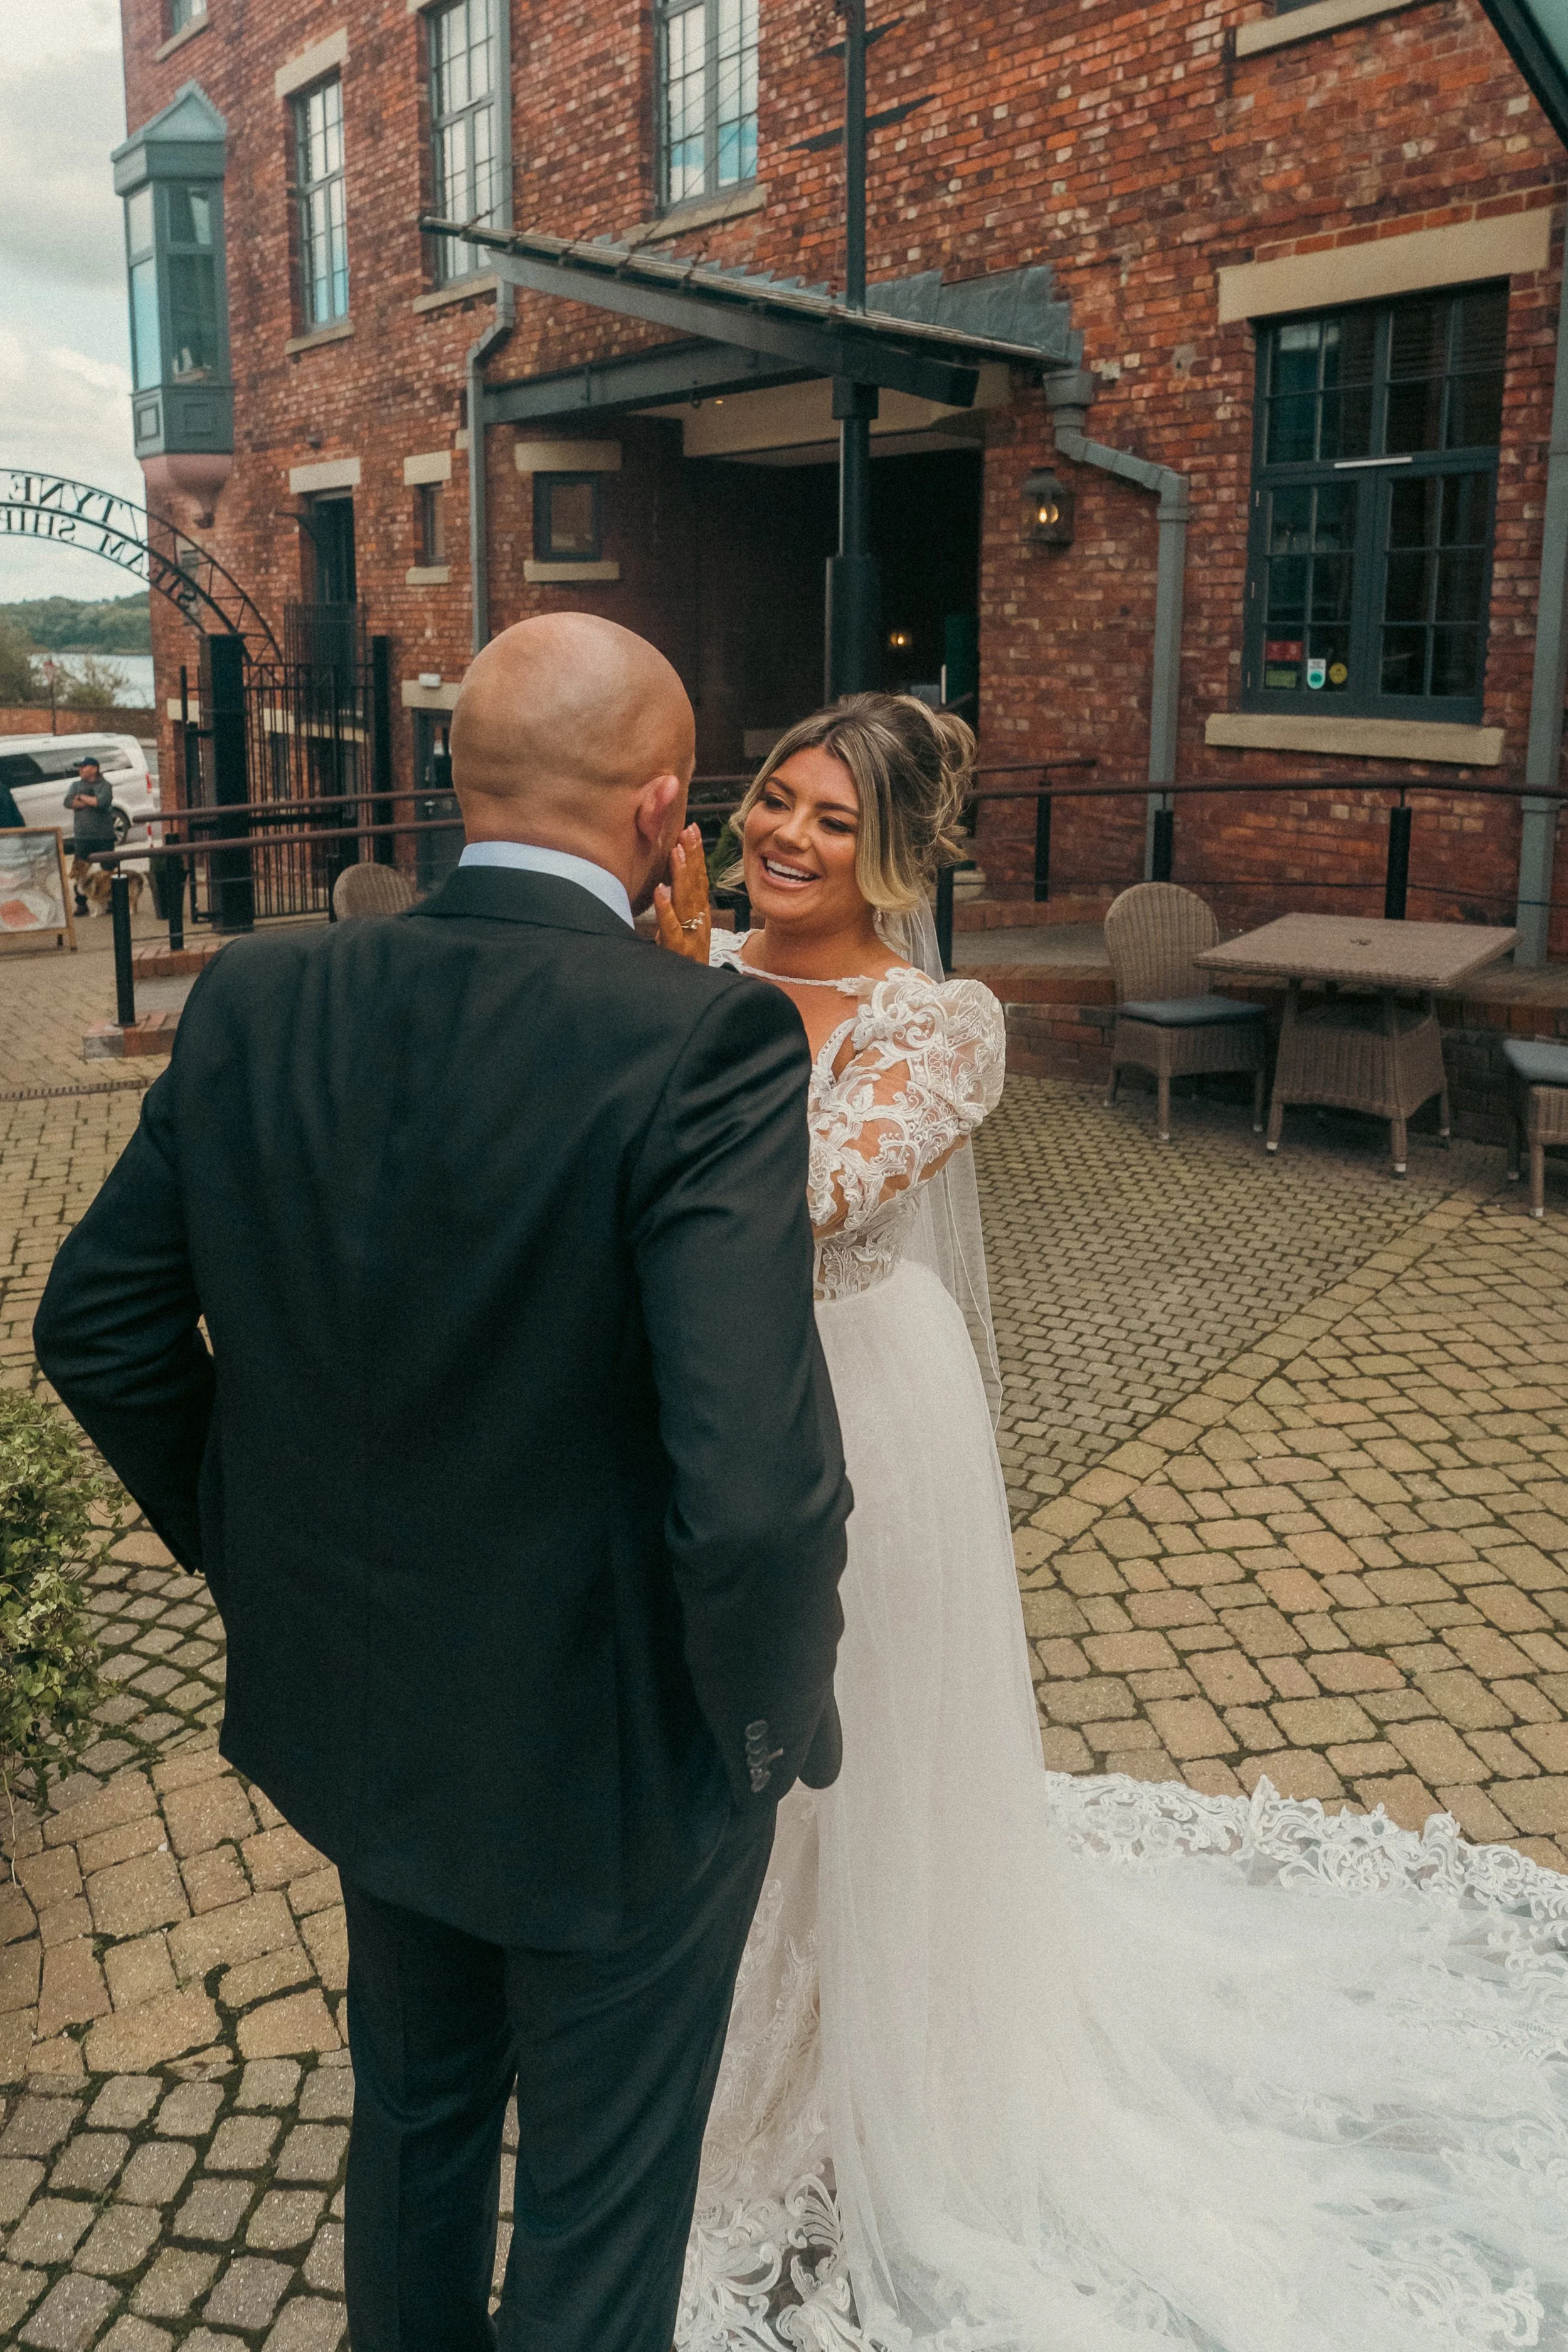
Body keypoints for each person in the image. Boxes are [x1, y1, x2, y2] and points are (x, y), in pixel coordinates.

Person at [655, 692, 1568, 2352]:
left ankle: (872, 2058)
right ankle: (712, 2014)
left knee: (851, 1737)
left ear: (902, 849)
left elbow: (802, 1196)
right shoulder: (687, 963)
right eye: (772, 799)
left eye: (830, 818)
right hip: (693, 1414)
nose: (782, 836)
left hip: (860, 1393)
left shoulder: (937, 1021)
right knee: (708, 1726)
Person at [33, 612, 852, 2352]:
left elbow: (96, 1324)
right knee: (595, 2204)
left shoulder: (259, 991)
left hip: (366, 1708)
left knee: (412, 2111)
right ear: (659, 814)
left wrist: (268, 1560)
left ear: (452, 782)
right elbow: (759, 1495)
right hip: (618, 1756)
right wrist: (768, 1735)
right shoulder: (703, 1045)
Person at [65, 753, 115, 914]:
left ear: (95, 768)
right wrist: (88, 801)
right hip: (83, 836)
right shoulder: (75, 785)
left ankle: (111, 902)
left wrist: (81, 798)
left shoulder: (105, 786)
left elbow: (101, 802)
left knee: (108, 871)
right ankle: (81, 903)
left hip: (103, 836)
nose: (80, 770)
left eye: (84, 766)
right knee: (80, 872)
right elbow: (68, 802)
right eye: (79, 767)